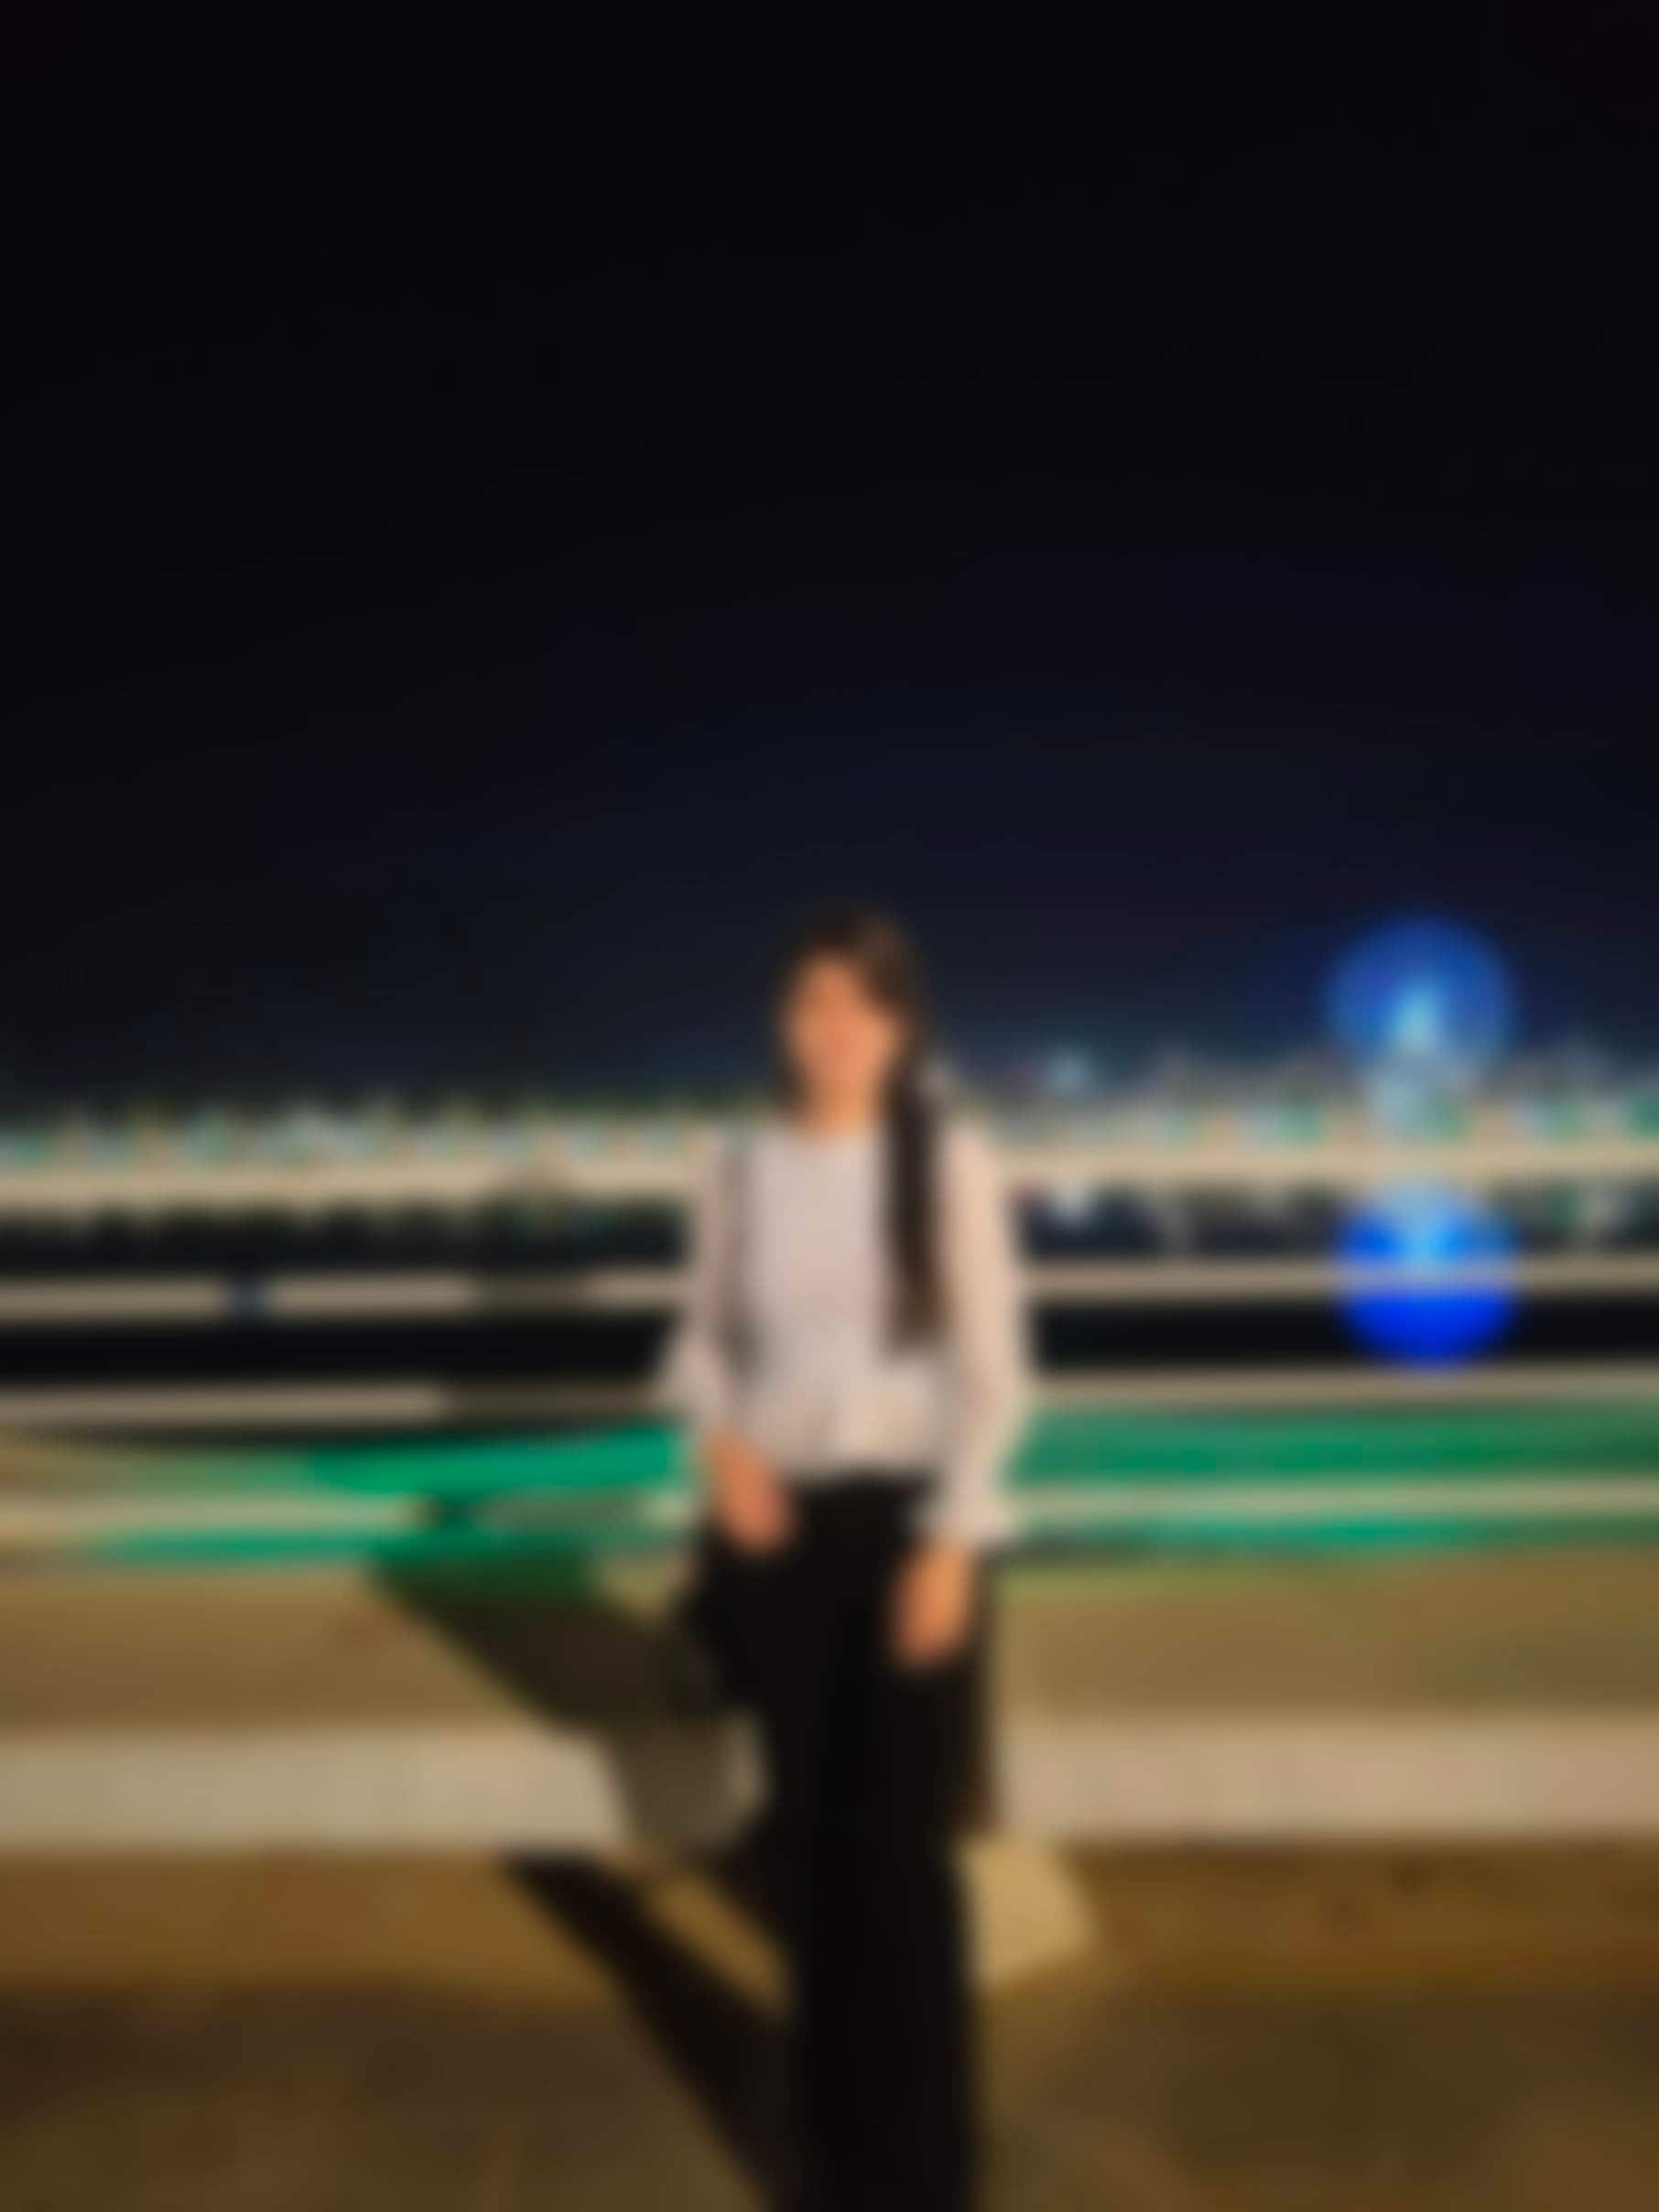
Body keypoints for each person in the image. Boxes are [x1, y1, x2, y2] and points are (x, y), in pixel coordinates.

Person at [663, 904, 1028, 2212]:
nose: (837, 1027)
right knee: (811, 1856)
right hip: (777, 1539)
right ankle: (829, 2162)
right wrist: (722, 1449)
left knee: (905, 1867)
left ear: (903, 1023)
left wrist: (952, 1539)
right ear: (782, 1019)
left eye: (864, 1002)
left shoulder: (949, 1160)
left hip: (915, 1531)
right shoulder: (738, 1166)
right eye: (813, 1000)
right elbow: (698, 1343)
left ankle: (924, 2174)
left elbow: (995, 1376)